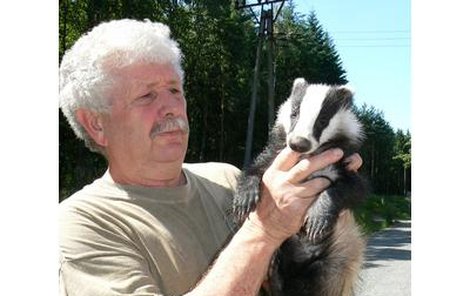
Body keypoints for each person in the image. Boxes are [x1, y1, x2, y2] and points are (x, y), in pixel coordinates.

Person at [59, 19, 363, 296]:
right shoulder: (80, 227)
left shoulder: (227, 179)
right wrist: (264, 230)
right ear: (96, 123)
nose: (172, 107)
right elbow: (267, 231)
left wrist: (331, 192)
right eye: (147, 95)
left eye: (175, 90)